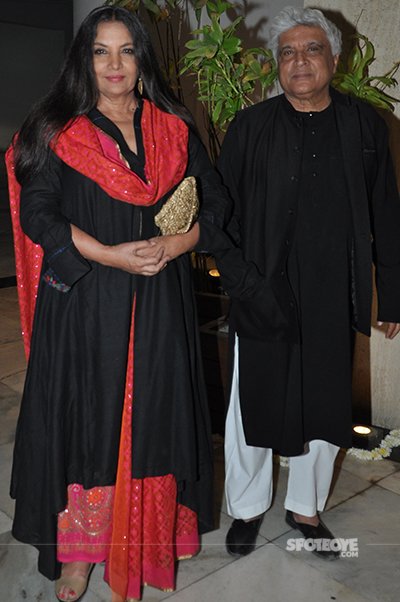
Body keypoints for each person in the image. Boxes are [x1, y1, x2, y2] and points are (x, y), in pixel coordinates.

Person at [6, 5, 228, 601]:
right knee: (87, 427)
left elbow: (216, 205)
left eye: (126, 49)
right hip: (84, 305)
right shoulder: (59, 131)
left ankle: (146, 542)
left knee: (153, 420)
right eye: (100, 50)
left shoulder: (172, 126)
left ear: (141, 58)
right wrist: (111, 255)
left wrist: (180, 242)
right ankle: (80, 555)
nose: (114, 64)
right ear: (84, 58)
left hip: (159, 303)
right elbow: (39, 214)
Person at [215, 6, 400, 559]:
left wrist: (391, 292)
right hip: (262, 288)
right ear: (278, 64)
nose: (299, 61)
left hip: (331, 290)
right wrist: (240, 280)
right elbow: (220, 212)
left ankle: (306, 510)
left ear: (334, 60)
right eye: (288, 52)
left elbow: (387, 211)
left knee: (324, 405)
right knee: (252, 406)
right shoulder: (250, 126)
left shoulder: (365, 123)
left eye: (311, 49)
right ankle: (246, 509)